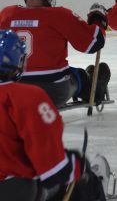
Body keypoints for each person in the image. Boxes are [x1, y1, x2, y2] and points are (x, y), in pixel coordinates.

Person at [0, 29, 107, 201]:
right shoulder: (27, 97)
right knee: (79, 180)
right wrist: (78, 166)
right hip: (12, 190)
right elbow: (53, 170)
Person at [0, 0, 110, 108]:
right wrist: (98, 18)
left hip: (12, 91)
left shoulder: (6, 14)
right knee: (78, 75)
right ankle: (96, 88)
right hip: (53, 91)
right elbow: (93, 43)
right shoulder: (59, 15)